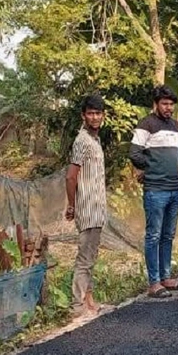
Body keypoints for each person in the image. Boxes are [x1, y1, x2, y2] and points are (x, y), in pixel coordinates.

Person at [129, 85, 178, 299]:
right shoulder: (146, 124)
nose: (168, 108)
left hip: (175, 188)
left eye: (171, 104)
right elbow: (134, 153)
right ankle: (154, 282)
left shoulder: (175, 126)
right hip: (155, 190)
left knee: (168, 235)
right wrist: (152, 167)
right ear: (156, 104)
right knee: (153, 235)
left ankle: (166, 277)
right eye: (164, 104)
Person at [65, 94, 107, 315]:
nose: (94, 117)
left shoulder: (94, 140)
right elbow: (71, 176)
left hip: (97, 209)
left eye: (98, 113)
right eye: (90, 113)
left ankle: (89, 301)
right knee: (84, 258)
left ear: (103, 116)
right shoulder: (82, 141)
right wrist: (71, 205)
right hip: (87, 208)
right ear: (83, 116)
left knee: (91, 257)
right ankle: (77, 304)